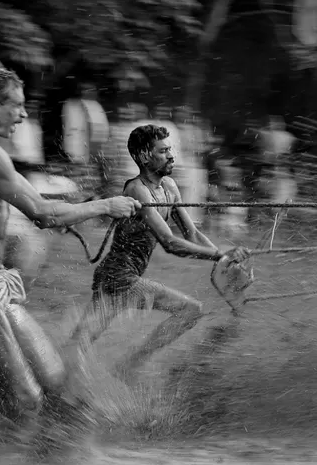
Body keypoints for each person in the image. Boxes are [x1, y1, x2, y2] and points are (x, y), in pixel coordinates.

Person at [0, 61, 139, 450]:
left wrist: (85, 204)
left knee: (55, 380)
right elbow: (43, 215)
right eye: (18, 105)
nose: (25, 114)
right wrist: (106, 205)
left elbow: (40, 202)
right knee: (25, 397)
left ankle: (46, 455)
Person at [66, 123, 239, 382]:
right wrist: (219, 255)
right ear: (145, 156)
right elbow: (170, 242)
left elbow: (191, 234)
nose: (171, 155)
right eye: (164, 151)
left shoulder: (169, 186)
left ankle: (124, 367)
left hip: (125, 279)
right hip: (117, 279)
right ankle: (122, 369)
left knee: (78, 344)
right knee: (77, 346)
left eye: (171, 149)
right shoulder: (137, 189)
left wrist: (225, 255)